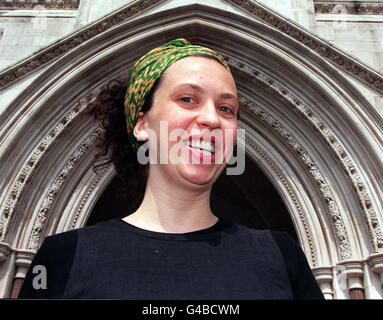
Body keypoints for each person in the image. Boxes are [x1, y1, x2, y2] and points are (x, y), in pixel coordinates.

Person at [18, 39, 324, 299]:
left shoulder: (282, 256)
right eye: (188, 99)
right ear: (142, 124)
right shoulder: (60, 258)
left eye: (226, 109)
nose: (212, 119)